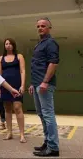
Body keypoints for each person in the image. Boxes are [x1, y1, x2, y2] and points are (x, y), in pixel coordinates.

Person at [29, 18, 60, 157]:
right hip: (37, 84)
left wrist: (45, 81)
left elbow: (53, 63)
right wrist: (32, 83)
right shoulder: (38, 45)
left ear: (49, 28)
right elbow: (37, 66)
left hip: (44, 85)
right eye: (38, 26)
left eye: (43, 26)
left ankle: (53, 148)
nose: (40, 28)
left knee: (48, 114)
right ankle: (47, 142)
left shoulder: (51, 43)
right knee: (42, 114)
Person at [0, 38, 26, 142]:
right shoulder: (1, 58)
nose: (8, 45)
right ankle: (9, 132)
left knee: (18, 108)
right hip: (5, 87)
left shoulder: (19, 56)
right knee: (7, 109)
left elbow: (22, 71)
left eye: (10, 44)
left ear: (13, 45)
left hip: (17, 85)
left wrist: (22, 85)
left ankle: (22, 134)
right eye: (6, 44)